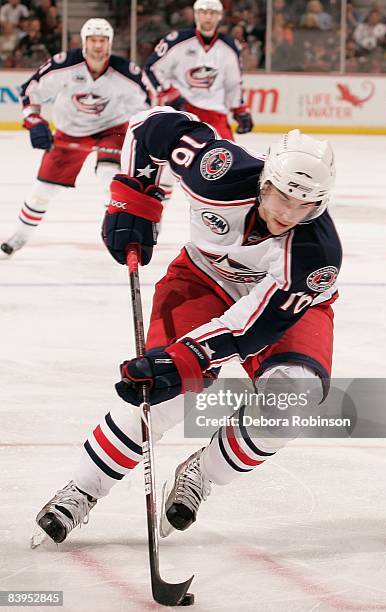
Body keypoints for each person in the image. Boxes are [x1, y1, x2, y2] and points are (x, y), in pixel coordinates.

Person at [31, 106, 342, 547]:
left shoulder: (317, 255)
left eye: (305, 204)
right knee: (165, 397)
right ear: (264, 181)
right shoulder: (219, 171)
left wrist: (186, 357)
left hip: (284, 307)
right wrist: (137, 194)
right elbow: (150, 126)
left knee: (293, 399)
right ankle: (83, 489)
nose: (288, 213)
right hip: (201, 278)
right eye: (280, 197)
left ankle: (204, 473)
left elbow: (252, 327)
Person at [1, 18, 151, 258]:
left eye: (103, 40)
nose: (98, 46)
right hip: (70, 131)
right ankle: (17, 238)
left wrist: (144, 135)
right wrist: (35, 122)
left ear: (110, 43)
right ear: (84, 42)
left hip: (111, 129)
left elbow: (147, 104)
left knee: (109, 180)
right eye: (93, 40)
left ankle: (115, 233)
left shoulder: (124, 70)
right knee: (43, 191)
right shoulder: (66, 64)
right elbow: (31, 90)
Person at [144, 0, 253, 141]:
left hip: (215, 114)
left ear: (220, 16)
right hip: (181, 111)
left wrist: (239, 109)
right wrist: (169, 93)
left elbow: (233, 83)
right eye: (203, 12)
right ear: (196, 15)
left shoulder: (230, 46)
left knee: (228, 157)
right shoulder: (176, 41)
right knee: (174, 156)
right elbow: (152, 68)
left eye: (212, 13)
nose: (208, 17)